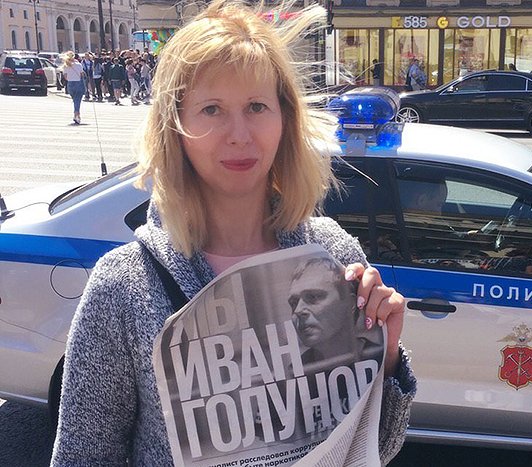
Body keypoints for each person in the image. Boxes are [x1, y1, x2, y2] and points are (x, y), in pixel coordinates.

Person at [50, 1, 416, 466]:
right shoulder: (122, 288)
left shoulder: (333, 255)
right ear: (175, 127)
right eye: (212, 109)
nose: (239, 134)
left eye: (256, 106)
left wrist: (385, 357)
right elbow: (82, 457)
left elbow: (373, 450)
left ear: (284, 119)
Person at [289, 257, 382, 369]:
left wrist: (392, 355)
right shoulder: (293, 371)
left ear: (350, 303)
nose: (298, 310)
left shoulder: (377, 354)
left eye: (313, 297)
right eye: (294, 303)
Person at [60, 51, 86, 124]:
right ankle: (76, 114)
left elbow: (65, 77)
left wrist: (70, 78)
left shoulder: (66, 66)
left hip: (70, 84)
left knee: (75, 100)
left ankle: (78, 115)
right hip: (78, 83)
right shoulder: (78, 65)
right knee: (77, 100)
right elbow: (82, 75)